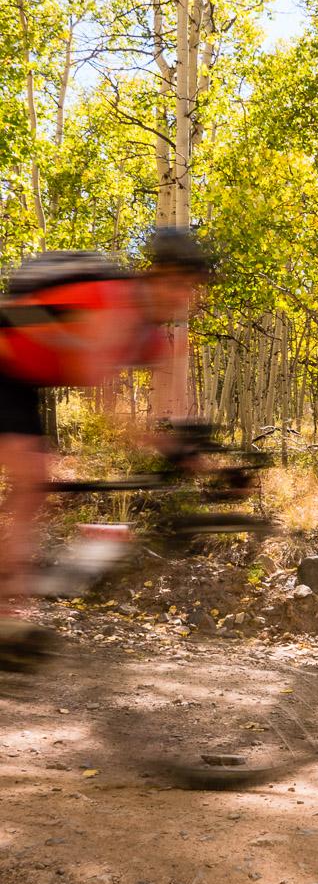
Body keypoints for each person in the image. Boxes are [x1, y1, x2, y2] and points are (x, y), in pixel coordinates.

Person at [0, 228, 213, 669]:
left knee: (34, 488)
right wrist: (170, 449)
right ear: (155, 276)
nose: (185, 297)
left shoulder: (159, 339)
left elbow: (170, 413)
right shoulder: (113, 304)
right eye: (179, 284)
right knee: (33, 479)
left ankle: (9, 617)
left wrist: (197, 455)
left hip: (23, 380)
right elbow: (110, 411)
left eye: (192, 289)